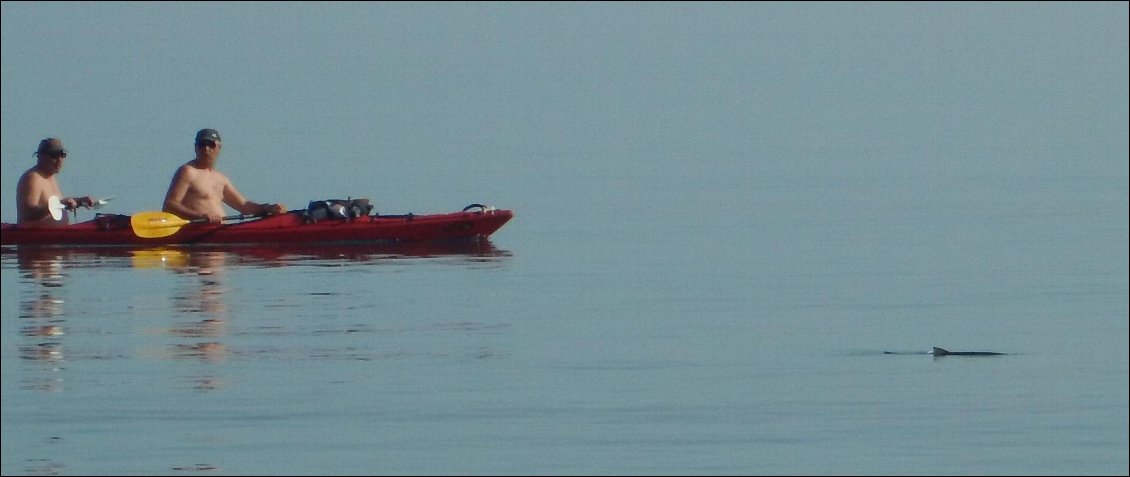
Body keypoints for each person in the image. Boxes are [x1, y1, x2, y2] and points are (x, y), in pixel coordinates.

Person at [162, 129, 286, 223]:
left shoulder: (221, 179)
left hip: (219, 232)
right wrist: (200, 216)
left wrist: (268, 208)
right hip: (196, 232)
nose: (206, 148)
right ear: (195, 148)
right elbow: (170, 206)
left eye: (211, 145)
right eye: (202, 144)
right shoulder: (188, 171)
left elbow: (244, 206)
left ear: (219, 148)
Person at [15, 138, 94, 226]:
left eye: (62, 155)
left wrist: (79, 201)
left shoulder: (50, 177)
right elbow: (27, 214)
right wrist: (59, 204)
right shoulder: (33, 177)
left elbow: (56, 203)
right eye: (54, 155)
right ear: (41, 156)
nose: (59, 160)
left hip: (56, 238)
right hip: (35, 238)